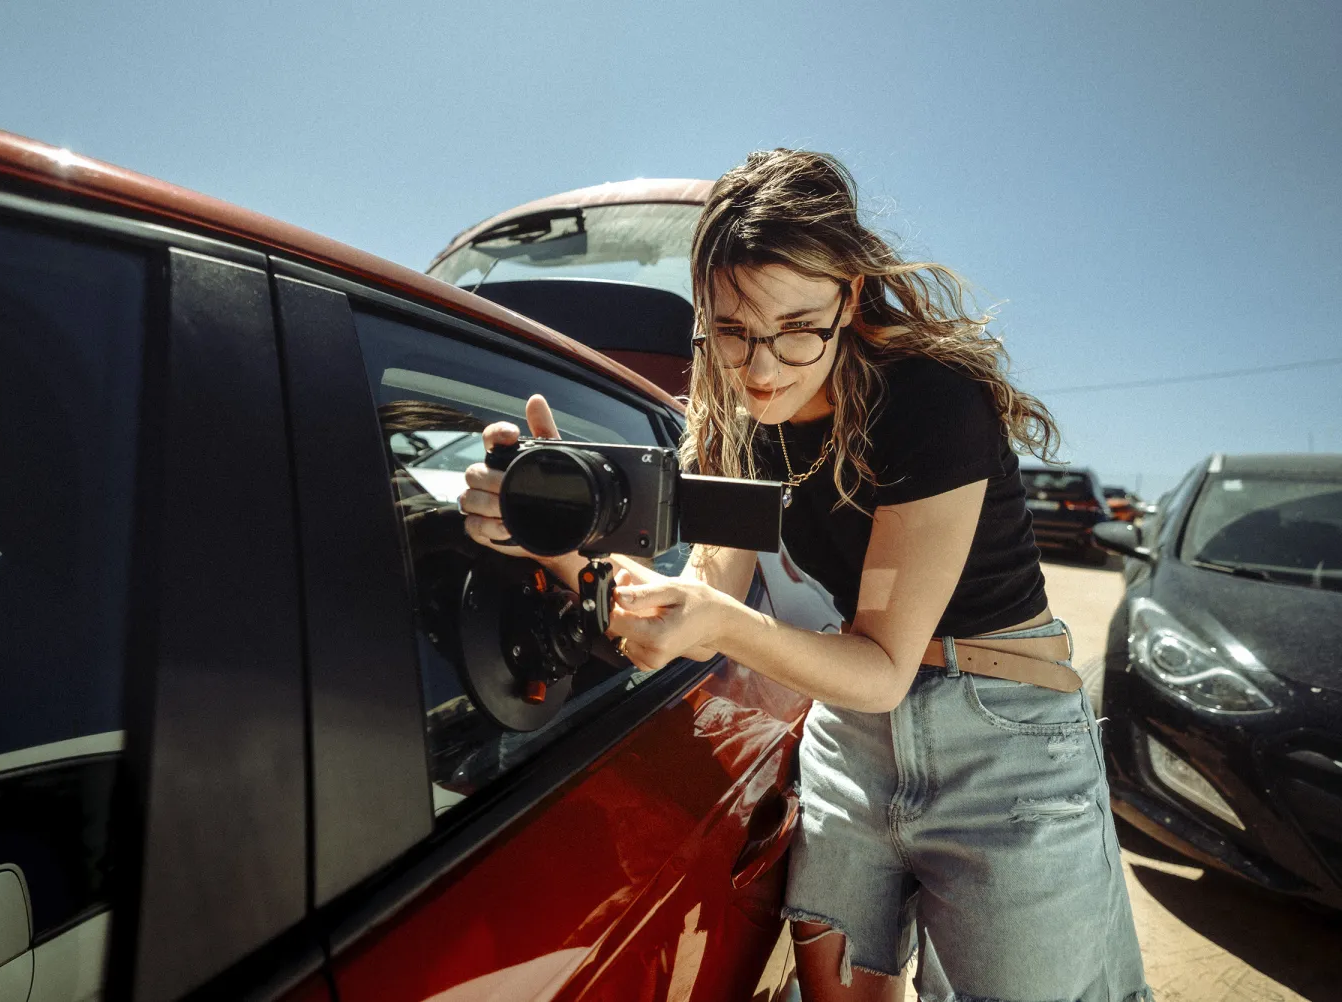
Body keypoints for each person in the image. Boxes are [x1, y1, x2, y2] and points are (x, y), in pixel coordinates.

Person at [460, 149, 1149, 1002]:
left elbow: (882, 667)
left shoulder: (928, 400)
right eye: (733, 329)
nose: (760, 367)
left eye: (797, 328)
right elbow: (684, 610)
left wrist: (718, 619)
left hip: (1002, 734)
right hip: (852, 737)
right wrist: (547, 532)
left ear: (851, 298)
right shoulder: (736, 417)